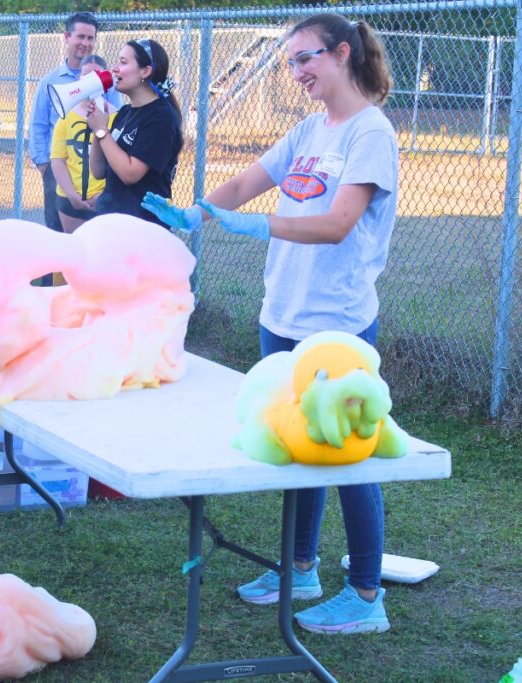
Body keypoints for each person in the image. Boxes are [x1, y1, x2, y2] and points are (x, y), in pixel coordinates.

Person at [143, 13, 399, 635]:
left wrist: (261, 225)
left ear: (342, 54)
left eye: (306, 59)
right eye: (290, 62)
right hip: (280, 313)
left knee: (347, 456)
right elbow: (246, 182)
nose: (298, 72)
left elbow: (338, 222)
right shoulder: (311, 129)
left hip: (335, 322)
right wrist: (197, 212)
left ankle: (367, 595)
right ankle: (301, 567)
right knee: (297, 446)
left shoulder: (370, 134)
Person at [29, 12, 121, 235]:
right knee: (56, 235)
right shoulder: (50, 82)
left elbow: (116, 120)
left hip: (98, 173)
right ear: (67, 37)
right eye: (80, 37)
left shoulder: (105, 79)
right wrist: (46, 167)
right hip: (59, 168)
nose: (85, 43)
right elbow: (38, 126)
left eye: (91, 38)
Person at [86, 39, 182, 229]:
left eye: (123, 62)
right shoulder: (125, 113)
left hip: (143, 227)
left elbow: (130, 173)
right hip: (113, 223)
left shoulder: (161, 118)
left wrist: (102, 131)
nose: (114, 68)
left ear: (145, 71)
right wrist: (99, 129)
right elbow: (98, 171)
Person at [49, 54, 118, 234]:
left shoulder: (117, 117)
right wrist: (72, 195)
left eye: (95, 75)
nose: (90, 79)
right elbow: (57, 160)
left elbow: (117, 163)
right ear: (79, 79)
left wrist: (103, 195)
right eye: (85, 75)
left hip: (104, 200)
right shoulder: (66, 118)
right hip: (68, 199)